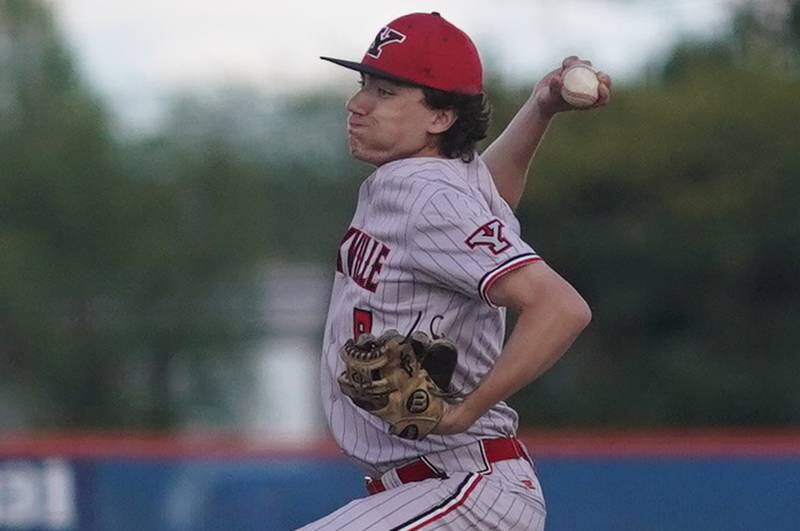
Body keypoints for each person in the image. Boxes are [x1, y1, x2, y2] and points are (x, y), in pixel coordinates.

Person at [300, 11, 611, 531]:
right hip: (440, 491)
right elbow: (489, 200)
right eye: (364, 85)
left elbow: (561, 308)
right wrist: (540, 109)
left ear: (441, 118)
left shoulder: (426, 195)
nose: (358, 104)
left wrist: (463, 412)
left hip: (464, 488)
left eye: (386, 92)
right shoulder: (444, 184)